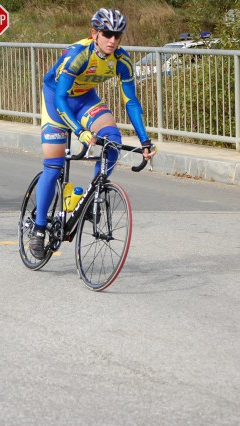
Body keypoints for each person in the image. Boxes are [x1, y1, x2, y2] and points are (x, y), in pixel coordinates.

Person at [29, 7, 157, 260]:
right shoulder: (78, 55)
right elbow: (62, 99)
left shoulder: (122, 60)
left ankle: (93, 195)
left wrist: (144, 140)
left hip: (85, 98)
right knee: (53, 166)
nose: (112, 40)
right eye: (107, 34)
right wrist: (79, 131)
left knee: (112, 140)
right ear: (94, 34)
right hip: (57, 99)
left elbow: (131, 102)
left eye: (117, 35)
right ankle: (39, 227)